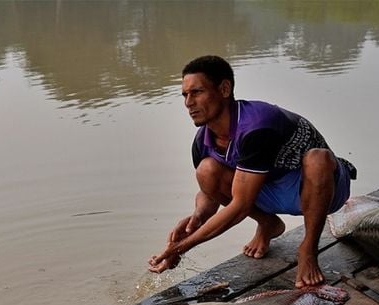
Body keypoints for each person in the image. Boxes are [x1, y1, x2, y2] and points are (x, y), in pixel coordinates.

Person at [148, 55, 356, 288]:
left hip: (322, 188)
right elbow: (208, 194)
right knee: (207, 171)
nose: (188, 102)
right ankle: (268, 224)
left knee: (318, 159)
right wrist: (195, 219)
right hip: (267, 187)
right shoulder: (202, 142)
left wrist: (181, 248)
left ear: (224, 89)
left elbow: (240, 207)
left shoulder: (257, 125)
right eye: (185, 95)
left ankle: (308, 249)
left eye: (196, 92)